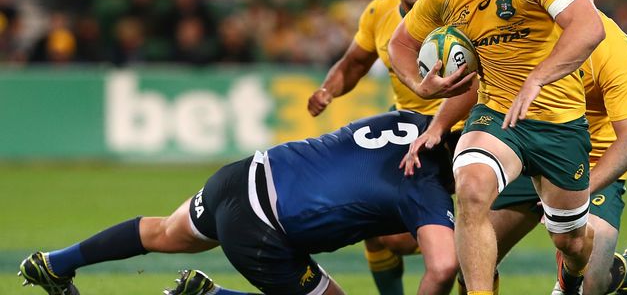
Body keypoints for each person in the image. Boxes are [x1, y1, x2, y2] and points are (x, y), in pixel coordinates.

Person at [388, 0, 605, 295]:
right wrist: (420, 84)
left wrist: (539, 78)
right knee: (470, 189)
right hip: (497, 115)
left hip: (559, 122)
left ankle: (571, 274)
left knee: (571, 241)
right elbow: (401, 42)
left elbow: (588, 26)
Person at [18, 110, 458, 295]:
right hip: (265, 232)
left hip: (241, 176)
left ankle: (55, 263)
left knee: (164, 233)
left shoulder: (409, 121)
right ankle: (211, 294)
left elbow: (364, 193)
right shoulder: (425, 190)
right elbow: (441, 267)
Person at [483, 0, 627, 295]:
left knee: (593, 282)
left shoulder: (613, 48)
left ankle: (622, 273)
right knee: (474, 257)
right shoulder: (520, 31)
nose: (564, 2)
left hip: (588, 165)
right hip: (528, 155)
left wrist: (578, 194)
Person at [307, 0, 455, 295]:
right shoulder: (379, 12)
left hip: (455, 129)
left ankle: (464, 240)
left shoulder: (457, 10)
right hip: (405, 128)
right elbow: (353, 63)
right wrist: (328, 89)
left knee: (407, 239)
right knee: (373, 226)